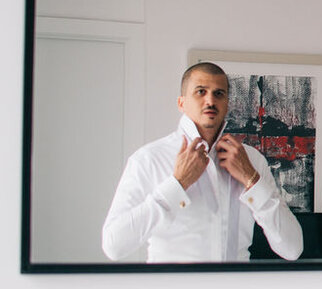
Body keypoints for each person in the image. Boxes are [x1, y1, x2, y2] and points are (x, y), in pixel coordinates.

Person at [102, 62, 303, 262]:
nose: (210, 100)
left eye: (219, 94)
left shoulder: (251, 160)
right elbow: (114, 245)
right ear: (181, 103)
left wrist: (252, 181)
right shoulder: (149, 159)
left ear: (227, 103)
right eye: (200, 91)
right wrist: (177, 184)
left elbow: (292, 249)